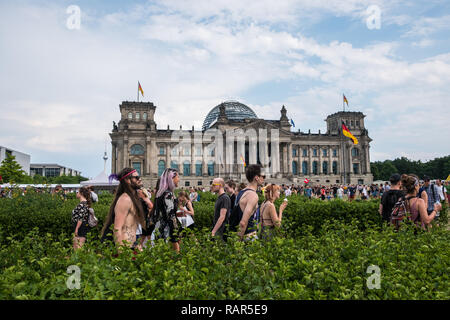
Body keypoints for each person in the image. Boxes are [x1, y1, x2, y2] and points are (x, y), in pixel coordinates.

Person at [101, 168, 146, 251]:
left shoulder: (134, 198)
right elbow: (117, 228)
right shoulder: (125, 199)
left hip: (131, 245)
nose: (140, 179)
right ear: (127, 180)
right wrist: (121, 251)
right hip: (124, 246)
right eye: (136, 177)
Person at [153, 168, 181, 253]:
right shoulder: (168, 194)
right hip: (167, 232)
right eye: (177, 177)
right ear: (171, 178)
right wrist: (176, 235)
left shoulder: (160, 193)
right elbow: (171, 217)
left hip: (159, 228)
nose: (179, 180)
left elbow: (158, 213)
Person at [236, 164, 265, 241]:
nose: (264, 178)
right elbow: (243, 222)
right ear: (256, 177)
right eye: (263, 176)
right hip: (249, 237)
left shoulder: (241, 192)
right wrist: (238, 242)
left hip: (242, 234)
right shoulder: (253, 195)